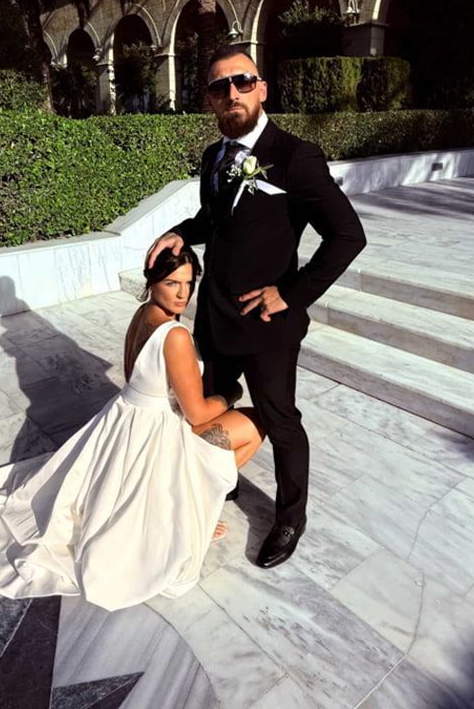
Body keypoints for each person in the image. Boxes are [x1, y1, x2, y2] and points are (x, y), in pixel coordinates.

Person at [147, 44, 366, 569]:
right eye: (219, 87)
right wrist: (180, 232)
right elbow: (214, 220)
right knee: (209, 406)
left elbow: (347, 235)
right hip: (215, 317)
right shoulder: (213, 157)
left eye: (242, 82)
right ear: (209, 101)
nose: (232, 94)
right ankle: (219, 479)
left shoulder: (296, 156)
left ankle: (291, 516)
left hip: (268, 326)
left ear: (261, 88)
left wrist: (290, 293)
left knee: (280, 420)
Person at [0, 247, 264, 612]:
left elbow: (137, 376)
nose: (182, 293)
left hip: (124, 417)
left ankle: (196, 503)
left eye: (188, 283)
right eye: (171, 283)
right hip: (155, 431)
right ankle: (198, 514)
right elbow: (196, 414)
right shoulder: (175, 335)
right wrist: (229, 394)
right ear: (152, 281)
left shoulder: (143, 313)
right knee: (257, 422)